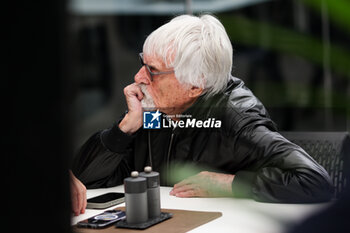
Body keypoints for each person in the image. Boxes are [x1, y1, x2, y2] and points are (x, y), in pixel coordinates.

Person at [70, 14, 333, 216]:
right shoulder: (154, 109)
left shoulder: (235, 117)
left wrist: (232, 184)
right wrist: (125, 128)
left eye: (153, 70)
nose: (139, 77)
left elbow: (315, 181)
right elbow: (86, 180)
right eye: (142, 63)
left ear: (195, 84)